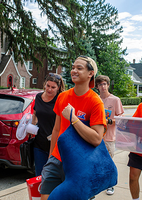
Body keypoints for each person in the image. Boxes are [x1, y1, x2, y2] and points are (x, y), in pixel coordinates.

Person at [40, 56, 107, 200]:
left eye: (79, 68)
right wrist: (51, 156)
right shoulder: (63, 97)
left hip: (79, 163)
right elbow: (56, 130)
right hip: (57, 158)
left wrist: (74, 119)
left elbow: (96, 138)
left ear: (90, 73)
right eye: (73, 67)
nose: (74, 71)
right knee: (46, 197)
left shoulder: (95, 102)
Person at [31, 73, 65, 176]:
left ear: (58, 88)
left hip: (56, 144)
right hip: (39, 143)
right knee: (39, 175)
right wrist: (31, 128)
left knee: (53, 177)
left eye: (53, 87)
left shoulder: (61, 99)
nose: (49, 89)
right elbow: (35, 114)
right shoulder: (38, 97)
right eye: (48, 86)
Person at [95, 75, 124, 195]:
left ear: (108, 85)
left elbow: (122, 120)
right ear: (97, 87)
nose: (103, 86)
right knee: (96, 162)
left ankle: (110, 185)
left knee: (108, 162)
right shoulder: (95, 99)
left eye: (104, 84)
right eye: (100, 84)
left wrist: (110, 121)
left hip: (109, 137)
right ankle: (97, 185)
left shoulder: (115, 100)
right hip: (95, 136)